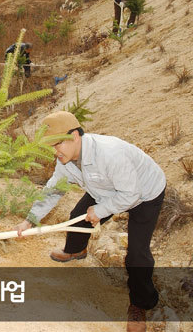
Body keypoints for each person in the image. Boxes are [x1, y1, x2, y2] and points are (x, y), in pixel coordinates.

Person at [15, 111, 166, 332]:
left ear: (75, 135)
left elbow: (130, 195)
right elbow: (53, 191)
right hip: (105, 187)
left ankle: (141, 304)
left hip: (144, 193)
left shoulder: (110, 154)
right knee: (78, 217)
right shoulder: (65, 161)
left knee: (137, 253)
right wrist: (29, 220)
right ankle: (76, 250)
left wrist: (102, 209)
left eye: (57, 144)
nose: (54, 151)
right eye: (51, 146)